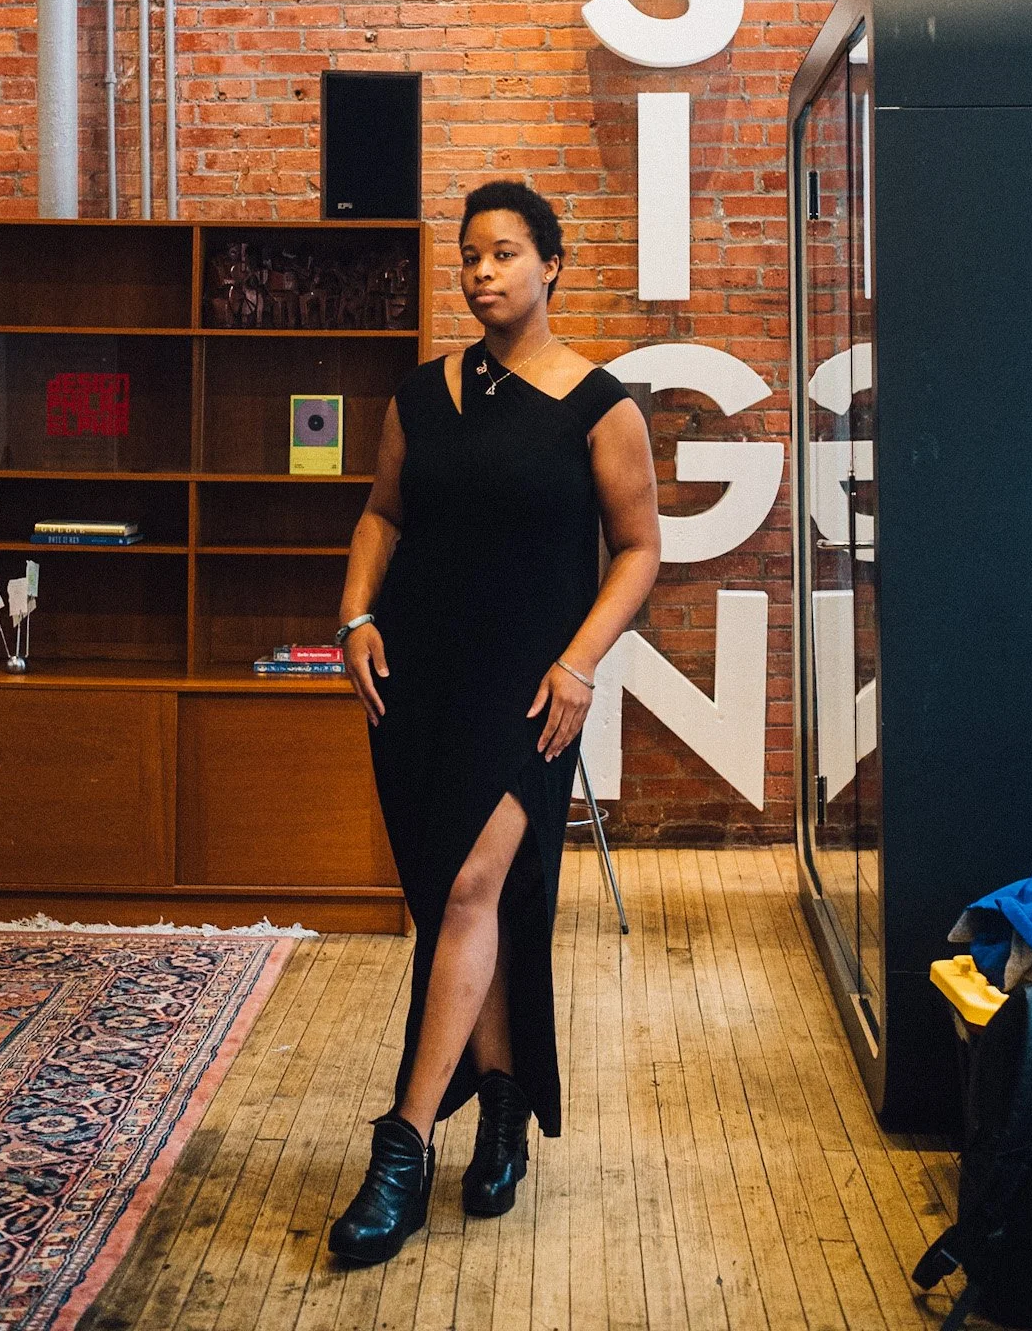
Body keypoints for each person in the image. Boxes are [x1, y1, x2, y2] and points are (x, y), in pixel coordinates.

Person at [327, 179, 661, 1264]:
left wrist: (579, 662)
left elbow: (639, 548)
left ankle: (402, 1143)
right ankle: (507, 1102)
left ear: (552, 264)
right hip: (414, 680)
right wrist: (355, 613)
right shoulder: (422, 395)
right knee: (463, 902)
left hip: (529, 690)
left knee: (474, 886)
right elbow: (382, 512)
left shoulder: (600, 405)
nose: (483, 271)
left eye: (507, 252)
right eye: (470, 255)